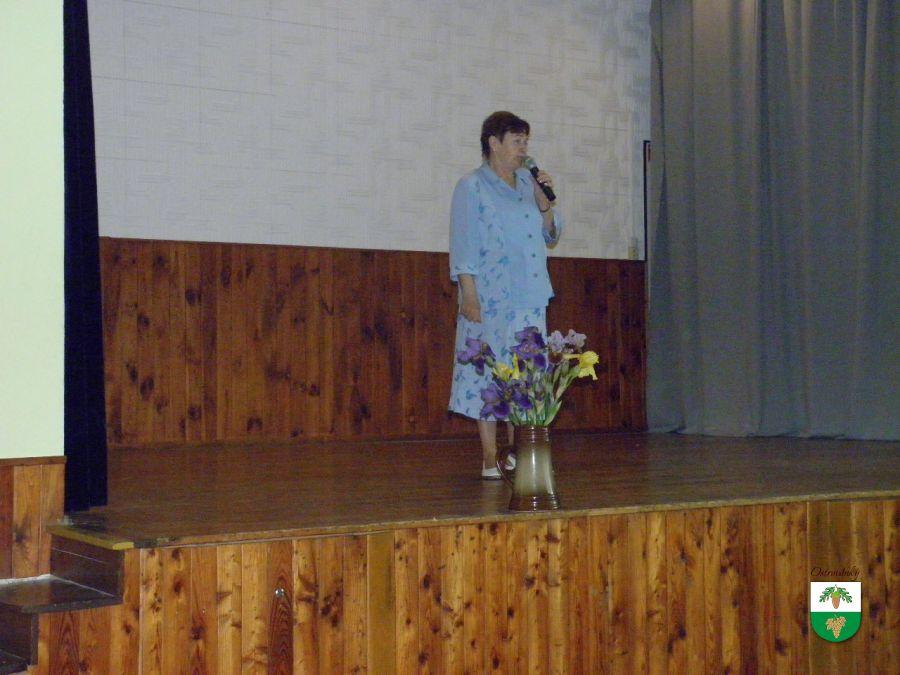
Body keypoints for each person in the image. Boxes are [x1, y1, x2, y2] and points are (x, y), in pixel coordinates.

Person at [448, 111, 563, 479]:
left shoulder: (529, 184)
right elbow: (463, 245)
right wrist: (469, 297)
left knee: (525, 376)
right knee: (488, 373)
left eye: (526, 141)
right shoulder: (472, 187)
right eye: (516, 141)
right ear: (494, 143)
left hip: (530, 294)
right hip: (491, 296)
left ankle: (519, 450)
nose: (523, 149)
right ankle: (490, 456)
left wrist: (544, 201)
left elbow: (551, 234)